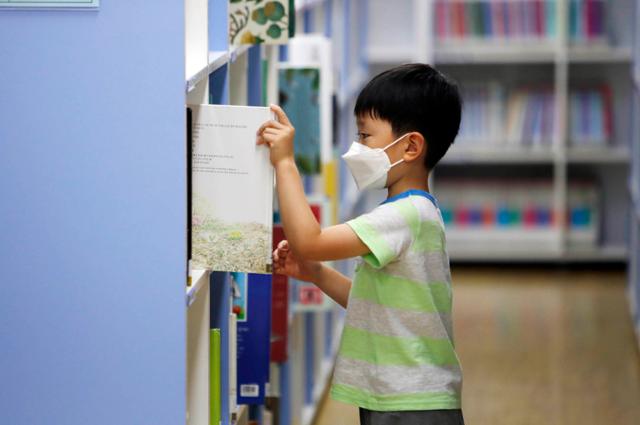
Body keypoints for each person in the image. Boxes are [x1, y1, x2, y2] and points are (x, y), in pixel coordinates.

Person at [257, 63, 465, 425]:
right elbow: (379, 307)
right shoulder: (415, 212)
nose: (357, 148)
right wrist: (317, 274)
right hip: (401, 397)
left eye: (366, 137)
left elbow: (309, 240)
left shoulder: (404, 215)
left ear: (412, 146)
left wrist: (285, 163)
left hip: (410, 405)